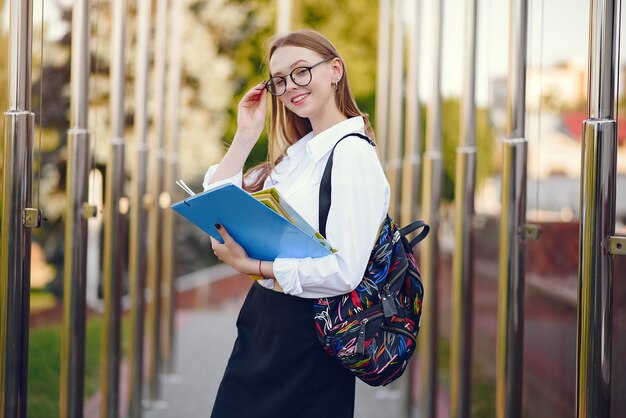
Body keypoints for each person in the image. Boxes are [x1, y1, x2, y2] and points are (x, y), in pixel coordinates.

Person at [205, 30, 390, 418]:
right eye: (279, 80)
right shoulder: (300, 153)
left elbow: (343, 272)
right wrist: (244, 135)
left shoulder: (352, 154)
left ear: (335, 69)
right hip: (263, 321)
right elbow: (218, 204)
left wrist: (252, 267)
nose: (290, 86)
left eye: (301, 71)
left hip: (311, 335)